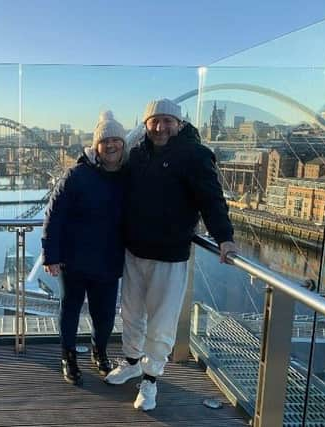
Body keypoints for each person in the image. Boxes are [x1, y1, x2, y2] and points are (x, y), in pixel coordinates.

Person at [104, 99, 238, 410]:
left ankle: (150, 380)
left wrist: (225, 238)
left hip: (170, 253)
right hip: (135, 250)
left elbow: (211, 199)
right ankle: (132, 362)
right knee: (131, 315)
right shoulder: (136, 154)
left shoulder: (194, 155)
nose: (161, 127)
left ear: (179, 124)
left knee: (162, 323)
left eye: (168, 121)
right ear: (147, 123)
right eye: (155, 121)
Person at [42, 110, 126, 386]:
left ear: (123, 144)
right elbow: (54, 216)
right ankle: (68, 356)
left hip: (108, 260)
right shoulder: (76, 175)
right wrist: (51, 255)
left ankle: (99, 351)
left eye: (117, 140)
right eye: (106, 141)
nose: (111, 145)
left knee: (104, 316)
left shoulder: (127, 175)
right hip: (74, 261)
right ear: (96, 146)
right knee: (70, 310)